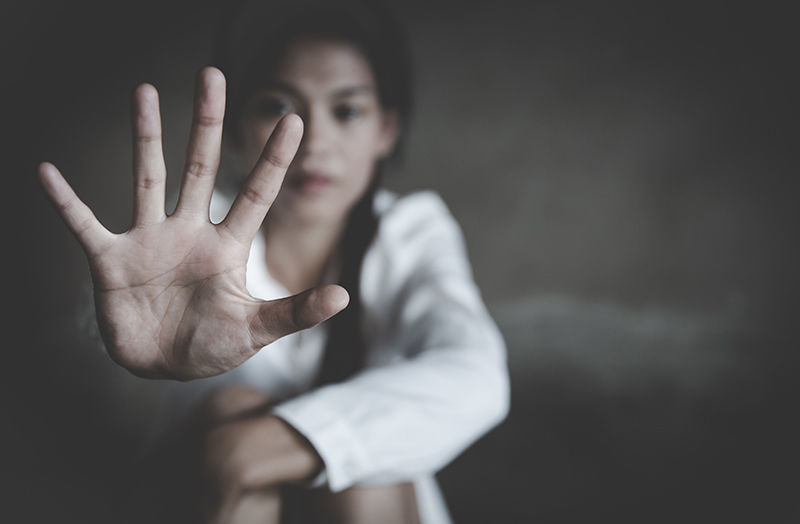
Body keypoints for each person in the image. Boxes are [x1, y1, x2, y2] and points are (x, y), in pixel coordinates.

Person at [37, 1, 509, 522]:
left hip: (374, 504)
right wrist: (136, 358)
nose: (313, 140)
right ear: (237, 124)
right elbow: (101, 408)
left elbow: (477, 375)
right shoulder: (186, 243)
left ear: (387, 129)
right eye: (278, 108)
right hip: (196, 499)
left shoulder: (412, 233)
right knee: (228, 409)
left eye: (347, 110)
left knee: (363, 468)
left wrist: (259, 449)